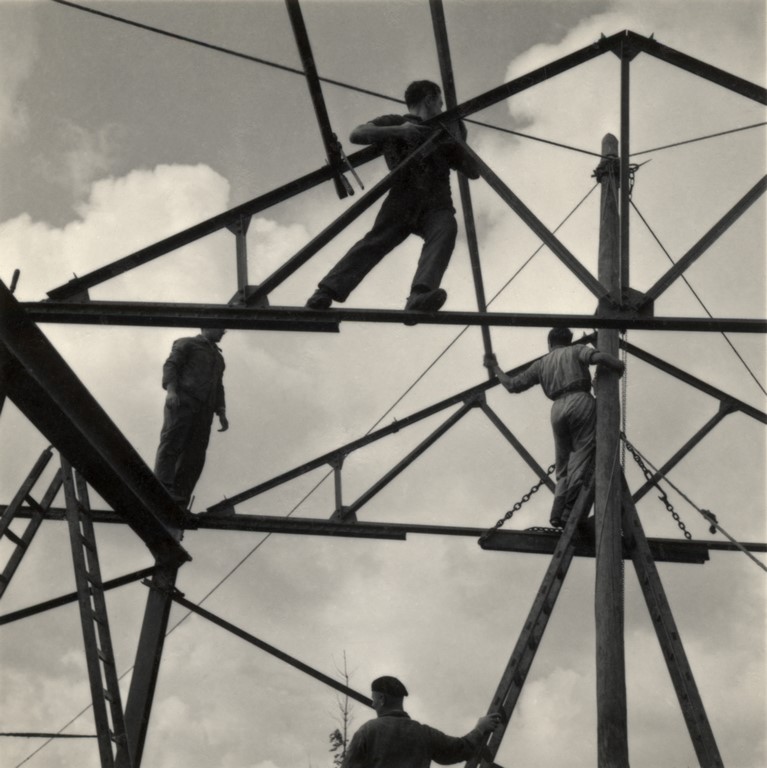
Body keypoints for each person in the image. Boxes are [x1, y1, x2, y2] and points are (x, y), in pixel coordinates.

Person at [306, 79, 479, 318]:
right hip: (403, 198)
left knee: (446, 229)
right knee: (375, 242)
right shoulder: (395, 122)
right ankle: (326, 291)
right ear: (429, 99)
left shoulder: (443, 130)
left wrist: (457, 137)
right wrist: (399, 131)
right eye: (439, 102)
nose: (441, 107)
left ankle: (419, 295)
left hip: (437, 203)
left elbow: (473, 171)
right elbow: (357, 134)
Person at [485, 328, 624, 528]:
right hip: (580, 400)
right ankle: (569, 510)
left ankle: (557, 511)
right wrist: (618, 365)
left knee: (563, 463)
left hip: (557, 409)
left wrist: (495, 367)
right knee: (582, 454)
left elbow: (512, 385)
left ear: (550, 342)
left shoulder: (542, 363)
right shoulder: (576, 350)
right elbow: (600, 357)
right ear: (568, 340)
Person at [341, 676, 501, 768]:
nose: (372, 704)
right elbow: (458, 749)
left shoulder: (367, 731)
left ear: (382, 699)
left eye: (374, 699)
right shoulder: (424, 733)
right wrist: (480, 728)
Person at [154, 328, 229, 507]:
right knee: (172, 443)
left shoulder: (219, 358)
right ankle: (162, 488)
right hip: (183, 401)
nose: (223, 332)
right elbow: (171, 365)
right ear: (207, 327)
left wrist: (221, 411)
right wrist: (171, 391)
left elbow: (218, 386)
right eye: (220, 328)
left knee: (196, 454)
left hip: (205, 410)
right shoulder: (187, 343)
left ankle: (180, 496)